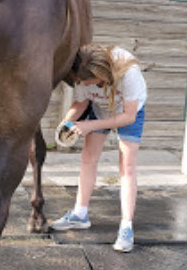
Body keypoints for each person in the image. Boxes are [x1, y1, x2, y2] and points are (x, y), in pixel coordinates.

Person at [51, 43, 147, 252]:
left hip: (128, 112)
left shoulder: (129, 72)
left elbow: (128, 116)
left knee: (127, 167)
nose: (85, 85)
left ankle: (126, 227)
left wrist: (89, 125)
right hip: (100, 109)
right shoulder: (82, 69)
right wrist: (66, 123)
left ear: (103, 75)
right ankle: (80, 214)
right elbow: (81, 103)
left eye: (90, 82)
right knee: (88, 158)